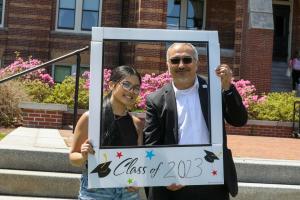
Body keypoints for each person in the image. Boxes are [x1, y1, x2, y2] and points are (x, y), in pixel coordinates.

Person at [143, 43, 248, 200]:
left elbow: (239, 120)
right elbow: (152, 143)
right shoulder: (156, 99)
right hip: (174, 183)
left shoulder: (214, 89)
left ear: (197, 63)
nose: (181, 65)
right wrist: (164, 176)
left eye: (187, 60)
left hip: (212, 179)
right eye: (175, 60)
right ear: (167, 65)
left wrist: (227, 88)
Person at [69, 65, 144, 200]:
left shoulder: (136, 124)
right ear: (111, 85)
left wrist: (138, 180)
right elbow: (73, 157)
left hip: (128, 191)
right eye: (126, 84)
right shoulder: (91, 118)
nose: (132, 91)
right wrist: (83, 155)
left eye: (136, 88)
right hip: (97, 190)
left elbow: (138, 162)